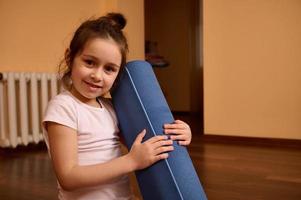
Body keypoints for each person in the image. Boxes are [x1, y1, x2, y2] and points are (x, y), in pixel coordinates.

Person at [42, 13, 192, 200]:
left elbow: (143, 144)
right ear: (70, 57)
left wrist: (180, 134)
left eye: (109, 69)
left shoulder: (111, 108)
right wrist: (131, 161)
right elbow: (68, 177)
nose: (97, 75)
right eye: (90, 62)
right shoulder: (63, 107)